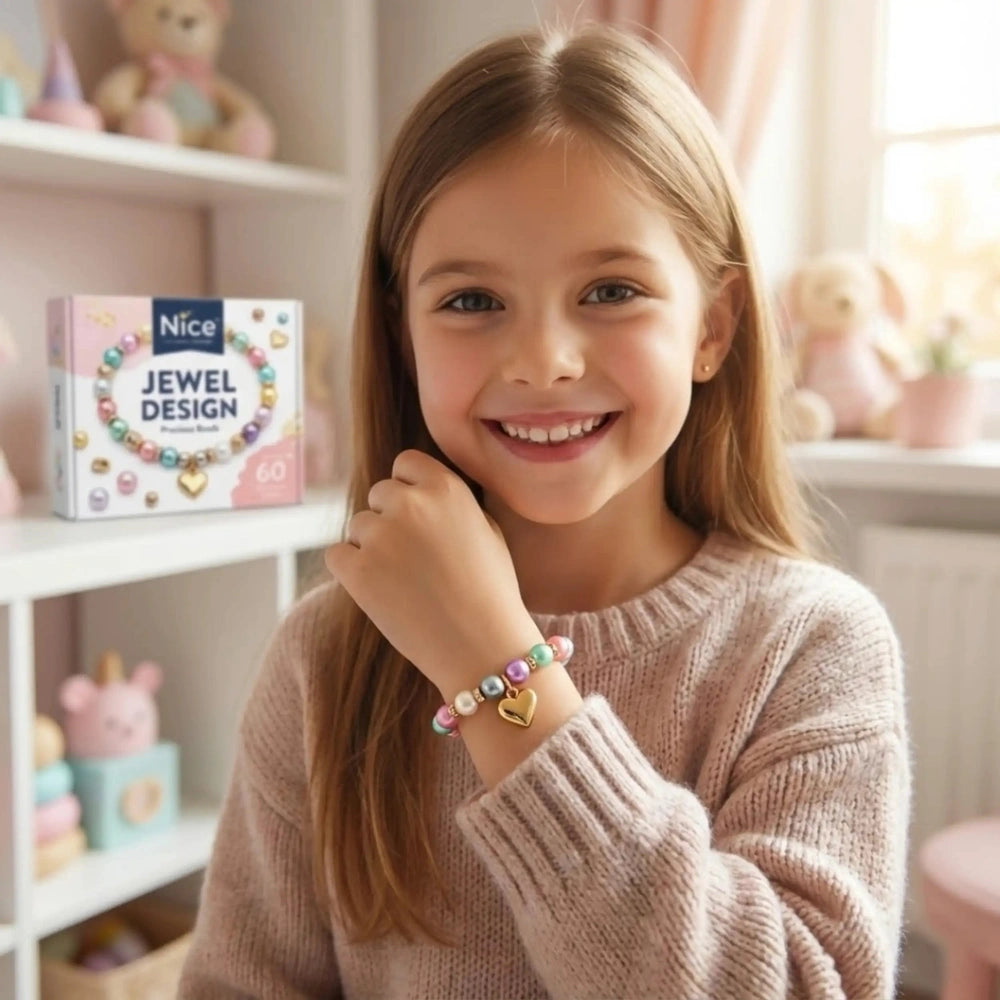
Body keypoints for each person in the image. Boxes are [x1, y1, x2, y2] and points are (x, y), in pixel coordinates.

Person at [179, 21, 911, 1000]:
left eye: (611, 290)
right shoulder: (325, 658)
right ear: (402, 336)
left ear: (714, 325)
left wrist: (492, 667)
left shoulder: (815, 644)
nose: (542, 361)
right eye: (472, 301)